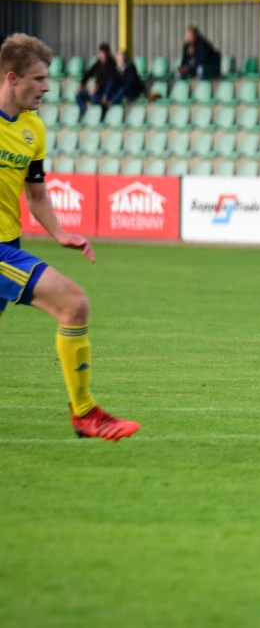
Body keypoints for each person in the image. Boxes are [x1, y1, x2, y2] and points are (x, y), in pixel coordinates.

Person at [0, 33, 140, 441]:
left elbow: (37, 193)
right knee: (74, 304)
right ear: (12, 78)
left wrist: (60, 233)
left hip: (12, 245)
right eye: (39, 79)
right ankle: (85, 413)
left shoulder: (33, 129)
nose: (46, 87)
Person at [76, 43, 120, 116]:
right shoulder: (98, 64)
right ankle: (84, 114)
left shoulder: (112, 65)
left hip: (104, 91)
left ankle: (101, 110)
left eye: (105, 54)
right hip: (96, 90)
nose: (103, 56)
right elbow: (89, 73)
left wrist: (98, 86)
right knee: (78, 95)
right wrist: (82, 84)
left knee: (95, 97)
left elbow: (109, 79)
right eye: (102, 54)